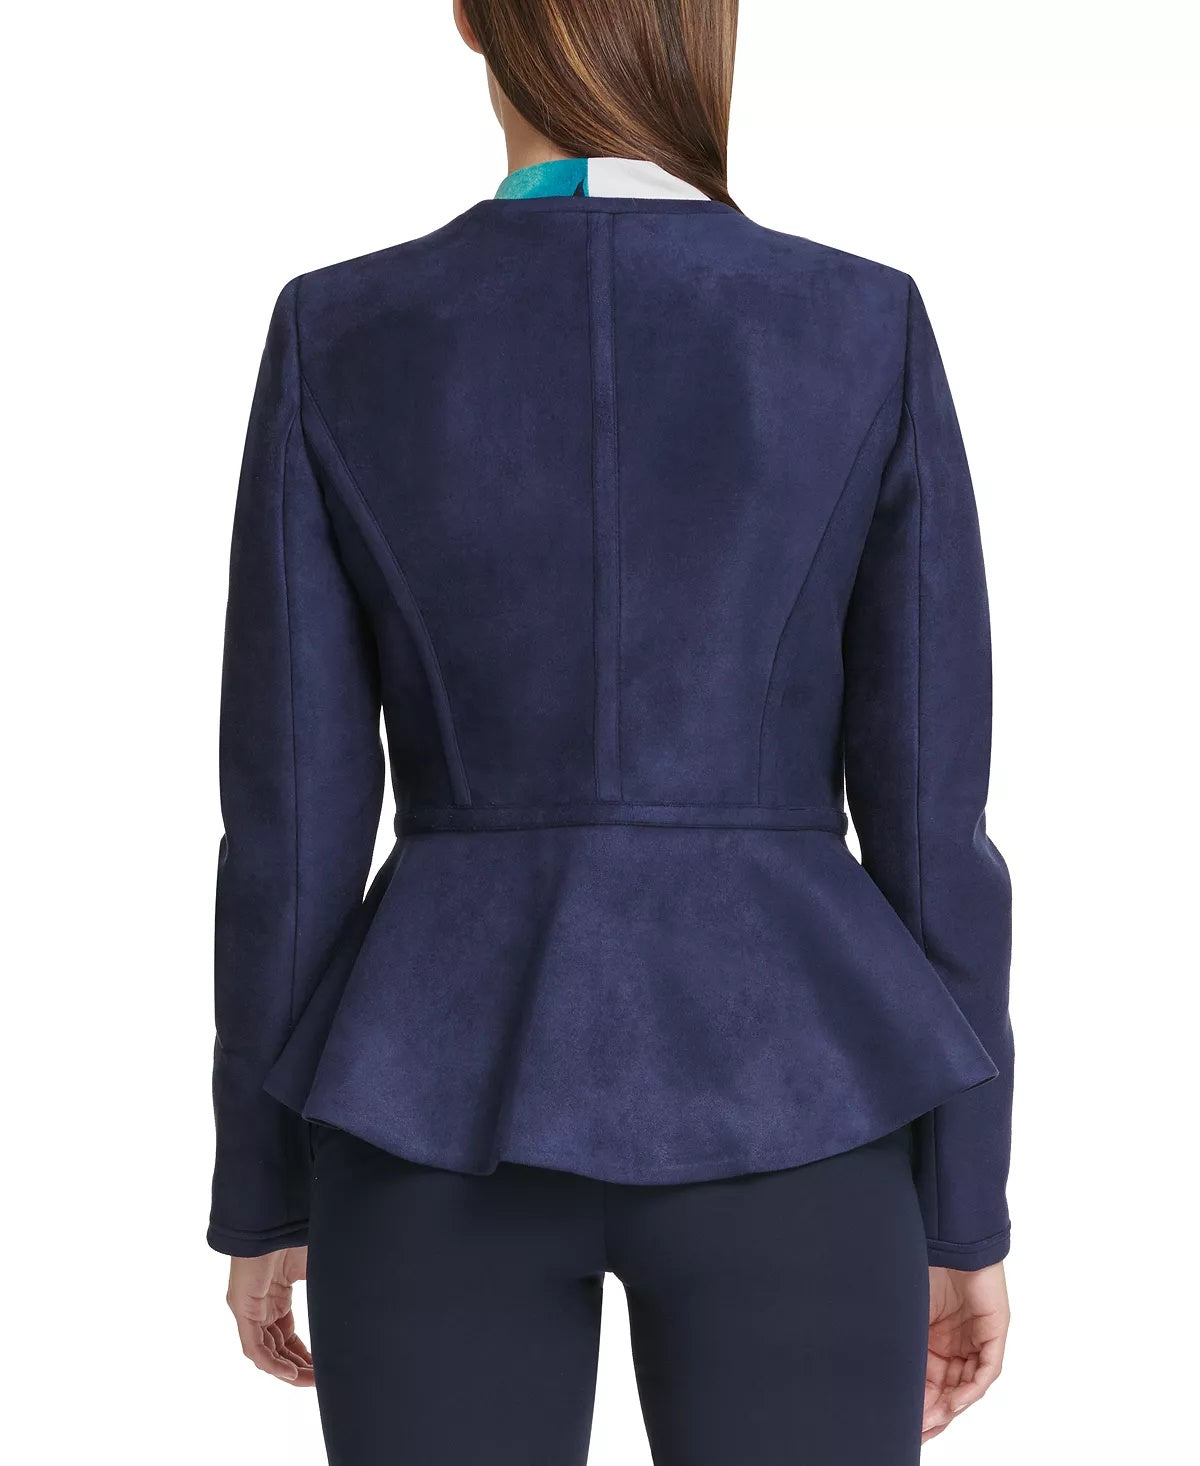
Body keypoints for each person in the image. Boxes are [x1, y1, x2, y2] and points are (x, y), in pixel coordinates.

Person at [207, 2, 1013, 1461]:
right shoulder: (859, 324)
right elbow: (931, 823)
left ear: (472, 19)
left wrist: (263, 1187)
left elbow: (290, 825)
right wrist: (964, 1205)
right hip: (804, 1091)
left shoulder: (342, 331)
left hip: (428, 1094)